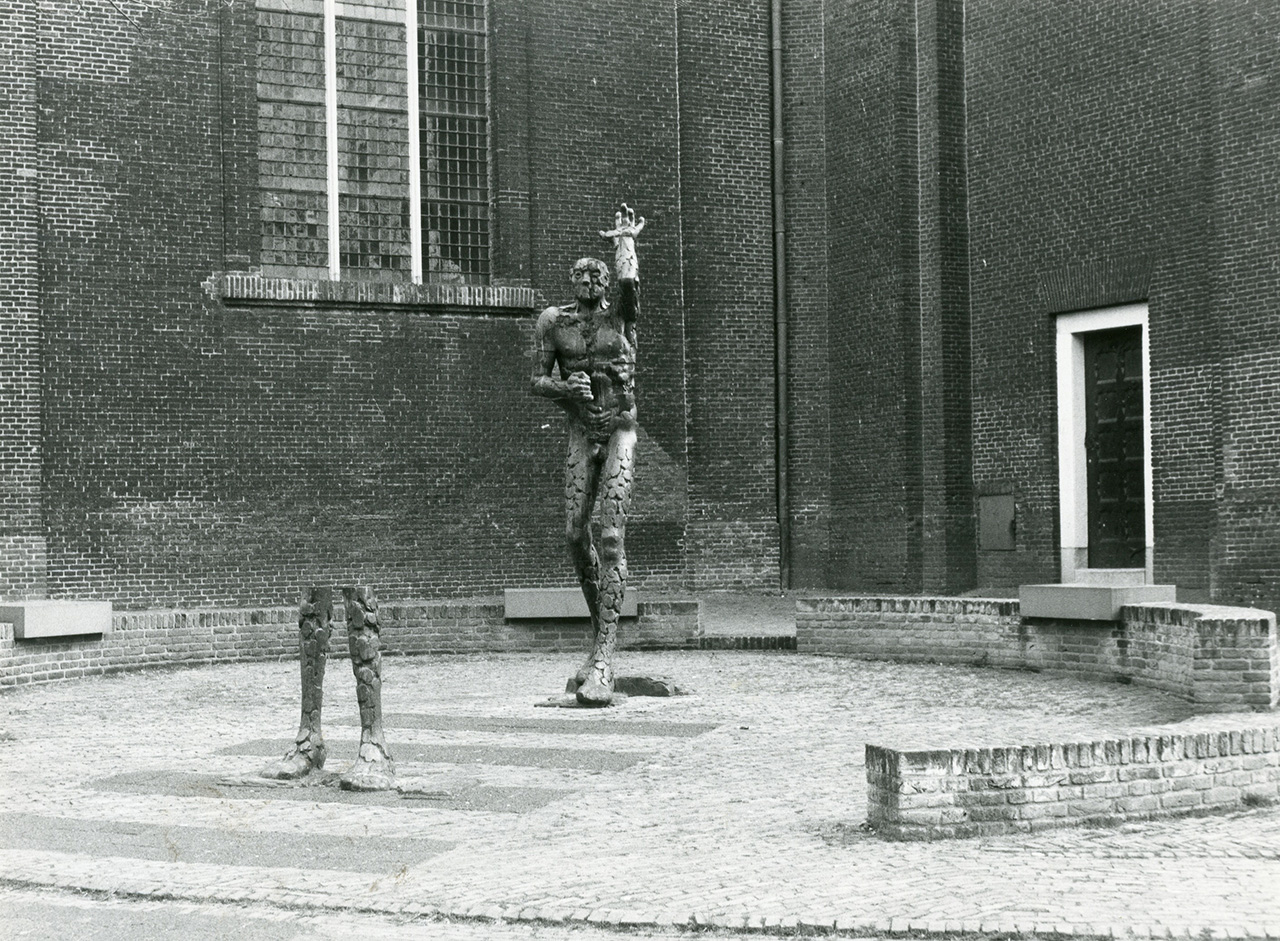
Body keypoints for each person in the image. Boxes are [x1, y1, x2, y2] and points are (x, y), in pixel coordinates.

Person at [531, 204, 645, 705]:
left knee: (612, 534)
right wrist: (564, 389)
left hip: (620, 428)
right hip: (581, 430)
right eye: (580, 276)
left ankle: (603, 655)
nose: (587, 281)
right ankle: (599, 638)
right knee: (575, 535)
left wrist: (625, 244)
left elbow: (630, 289)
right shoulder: (554, 324)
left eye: (594, 275)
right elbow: (537, 380)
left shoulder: (620, 316)